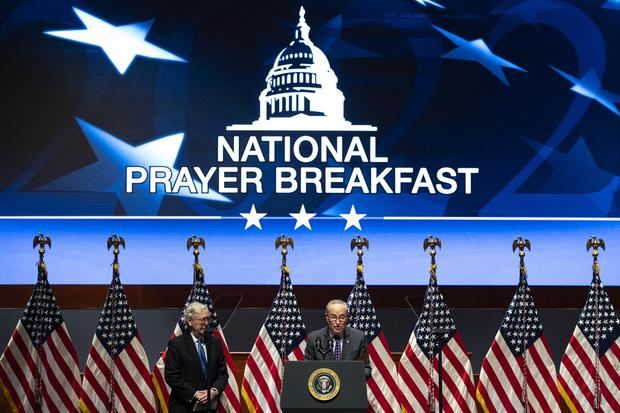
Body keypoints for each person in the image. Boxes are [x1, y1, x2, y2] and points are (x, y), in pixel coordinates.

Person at [165, 302, 229, 413]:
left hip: (209, 407)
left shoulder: (215, 343)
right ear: (190, 321)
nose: (206, 323)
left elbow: (222, 374)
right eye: (202, 320)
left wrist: (214, 391)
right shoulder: (176, 344)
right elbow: (171, 376)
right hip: (184, 407)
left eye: (207, 319)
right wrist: (195, 394)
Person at [304, 299, 371, 378]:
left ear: (347, 318)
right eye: (333, 317)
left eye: (342, 317)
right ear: (327, 318)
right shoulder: (314, 338)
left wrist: (347, 374)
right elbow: (307, 369)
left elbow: (366, 370)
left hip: (350, 385)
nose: (338, 322)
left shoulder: (358, 337)